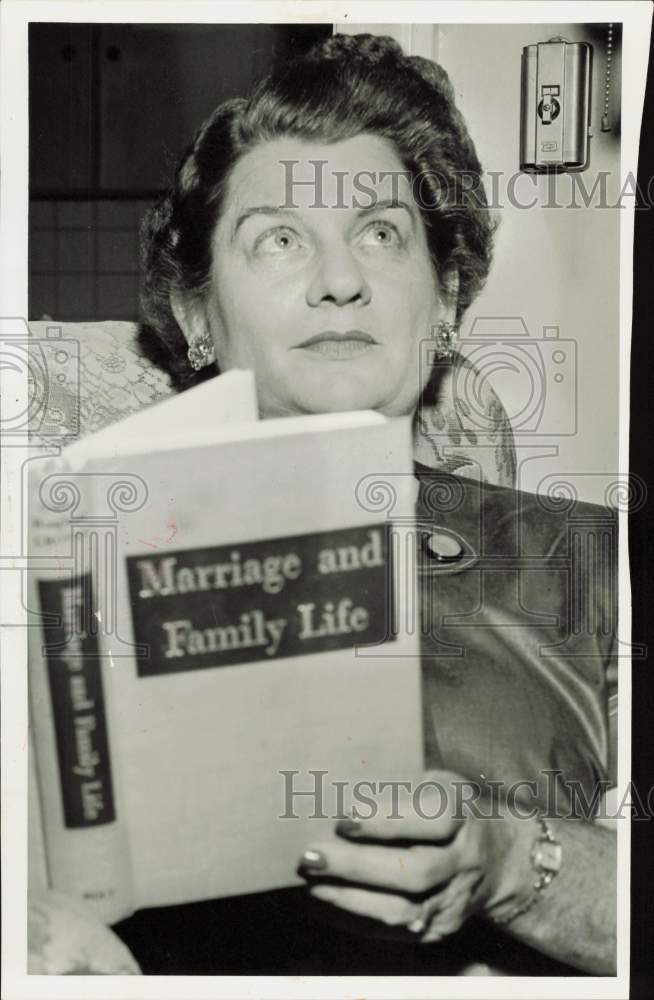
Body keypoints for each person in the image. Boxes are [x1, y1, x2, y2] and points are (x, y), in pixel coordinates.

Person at [114, 33, 616, 976]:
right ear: (195, 316)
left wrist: (513, 865)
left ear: (446, 301)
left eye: (381, 235)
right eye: (279, 240)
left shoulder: (592, 561)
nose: (340, 280)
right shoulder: (85, 560)